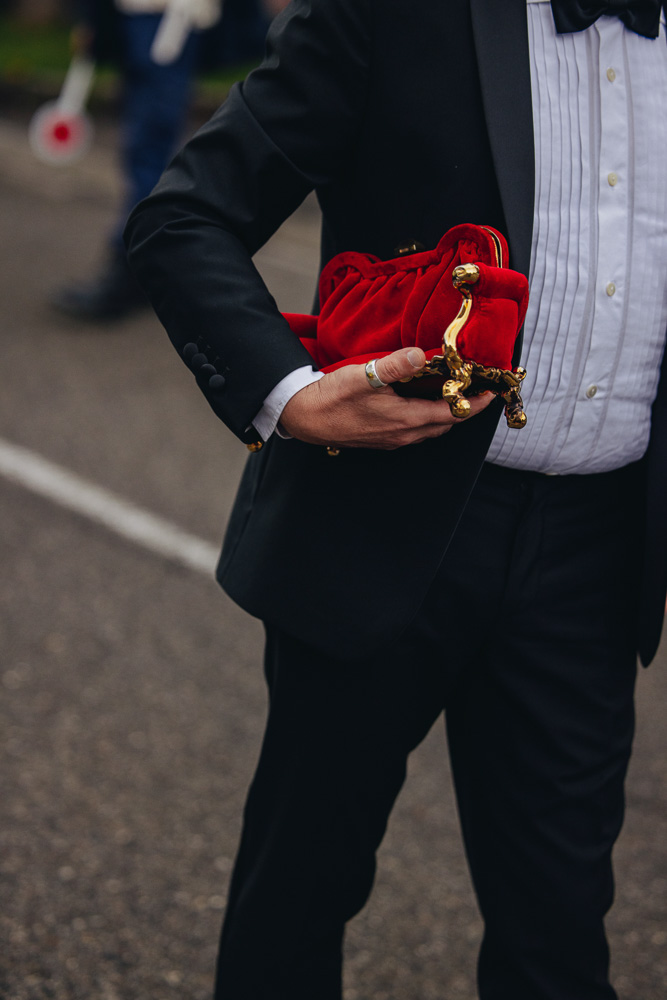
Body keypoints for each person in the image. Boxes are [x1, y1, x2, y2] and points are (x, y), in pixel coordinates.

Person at [124, 0, 667, 997]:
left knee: (559, 942)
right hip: (378, 520)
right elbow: (185, 213)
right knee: (299, 896)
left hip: (597, 551)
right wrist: (288, 396)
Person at [53, 0, 272, 321]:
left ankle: (135, 267)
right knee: (146, 146)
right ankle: (147, 270)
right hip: (144, 15)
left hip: (169, 17)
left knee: (149, 148)